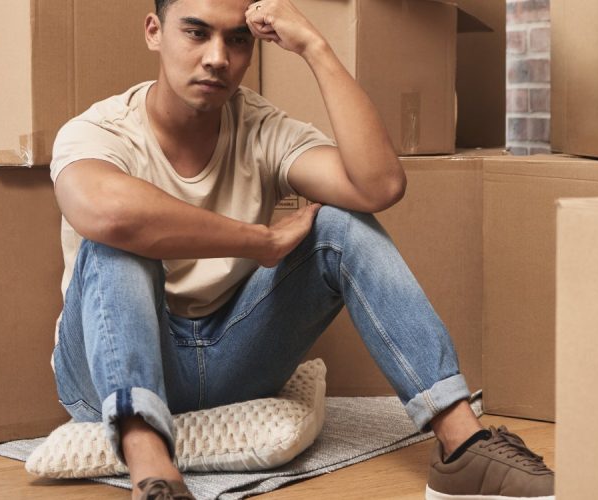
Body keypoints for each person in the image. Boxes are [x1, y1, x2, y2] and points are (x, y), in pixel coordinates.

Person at [49, 0, 555, 498]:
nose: (217, 57)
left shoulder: (262, 128)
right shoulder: (100, 129)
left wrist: (316, 48)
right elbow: (106, 212)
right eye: (196, 33)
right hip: (106, 374)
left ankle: (462, 444)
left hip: (231, 358)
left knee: (338, 223)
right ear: (154, 31)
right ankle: (154, 475)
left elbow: (378, 185)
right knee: (116, 243)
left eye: (237, 40)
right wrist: (260, 241)